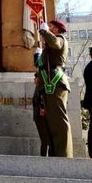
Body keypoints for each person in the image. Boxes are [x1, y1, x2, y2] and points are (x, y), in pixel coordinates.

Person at [36, 19, 73, 158]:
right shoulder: (50, 43)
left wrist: (45, 32)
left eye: (51, 27)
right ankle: (55, 153)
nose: (48, 28)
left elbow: (56, 44)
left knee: (59, 120)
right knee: (51, 122)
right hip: (48, 83)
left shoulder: (60, 39)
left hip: (56, 83)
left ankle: (64, 155)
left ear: (56, 30)